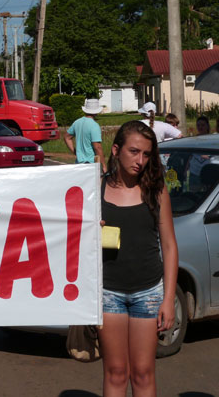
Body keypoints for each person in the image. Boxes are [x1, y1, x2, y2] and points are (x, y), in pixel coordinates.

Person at [98, 120, 178, 396]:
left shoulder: (156, 190)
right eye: (134, 151)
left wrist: (169, 299)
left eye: (146, 154)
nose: (140, 160)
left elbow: (169, 245)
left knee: (143, 373)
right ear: (116, 150)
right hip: (108, 293)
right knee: (116, 373)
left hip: (149, 292)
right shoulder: (94, 191)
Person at [63, 99, 107, 173]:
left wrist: (75, 152)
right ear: (96, 112)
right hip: (90, 164)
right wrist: (104, 165)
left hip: (78, 163)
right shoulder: (94, 126)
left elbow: (67, 137)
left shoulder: (77, 122)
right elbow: (97, 147)